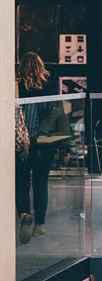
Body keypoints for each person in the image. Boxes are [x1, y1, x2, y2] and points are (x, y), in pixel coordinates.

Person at [16, 52, 57, 243]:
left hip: (21, 143)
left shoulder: (17, 87)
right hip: (42, 144)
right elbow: (54, 117)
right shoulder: (48, 86)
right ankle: (39, 224)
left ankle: (24, 214)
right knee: (41, 183)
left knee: (21, 181)